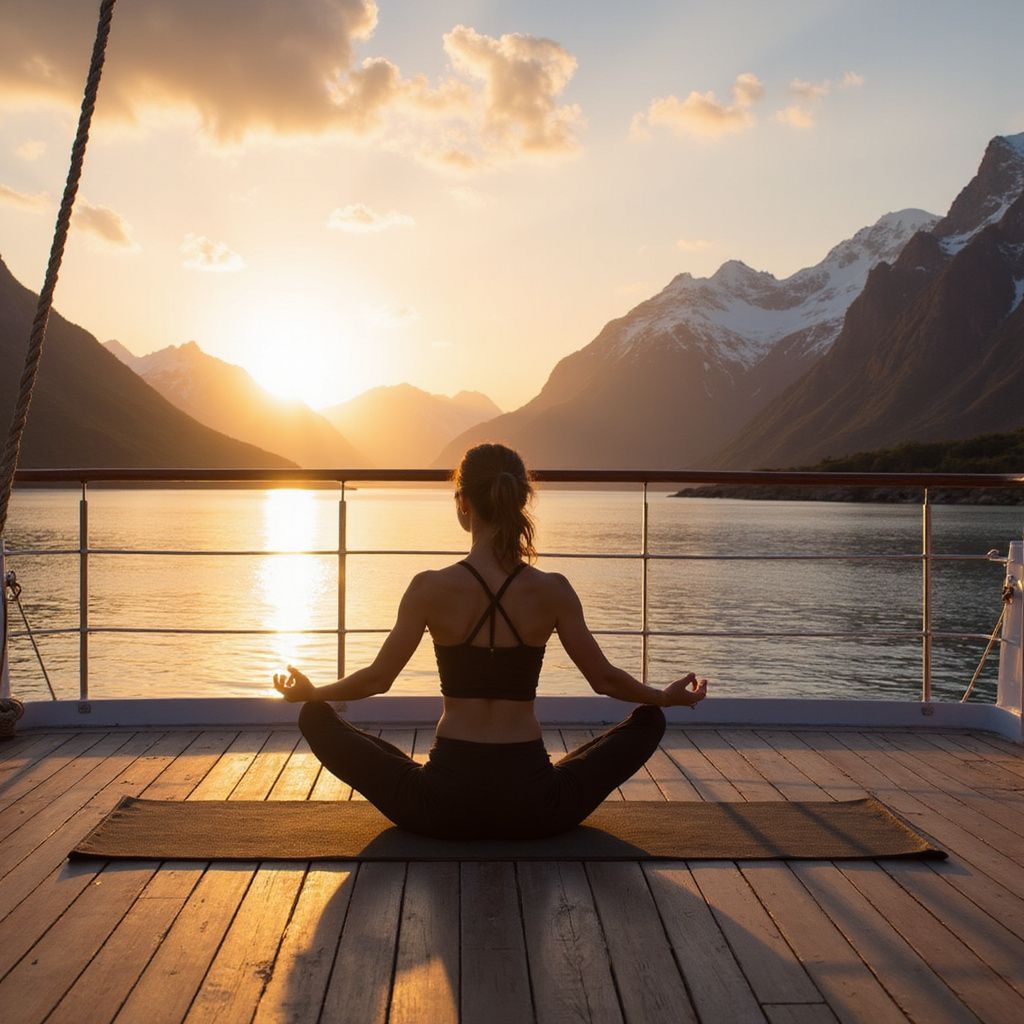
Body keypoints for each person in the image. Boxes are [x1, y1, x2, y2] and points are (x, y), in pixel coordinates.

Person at [274, 442, 708, 840]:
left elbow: (377, 679)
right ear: (523, 500)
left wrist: (315, 693)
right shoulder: (554, 589)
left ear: (463, 503)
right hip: (535, 806)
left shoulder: (428, 588)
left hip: (441, 805)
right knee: (649, 721)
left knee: (315, 718)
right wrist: (663, 698)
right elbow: (605, 680)